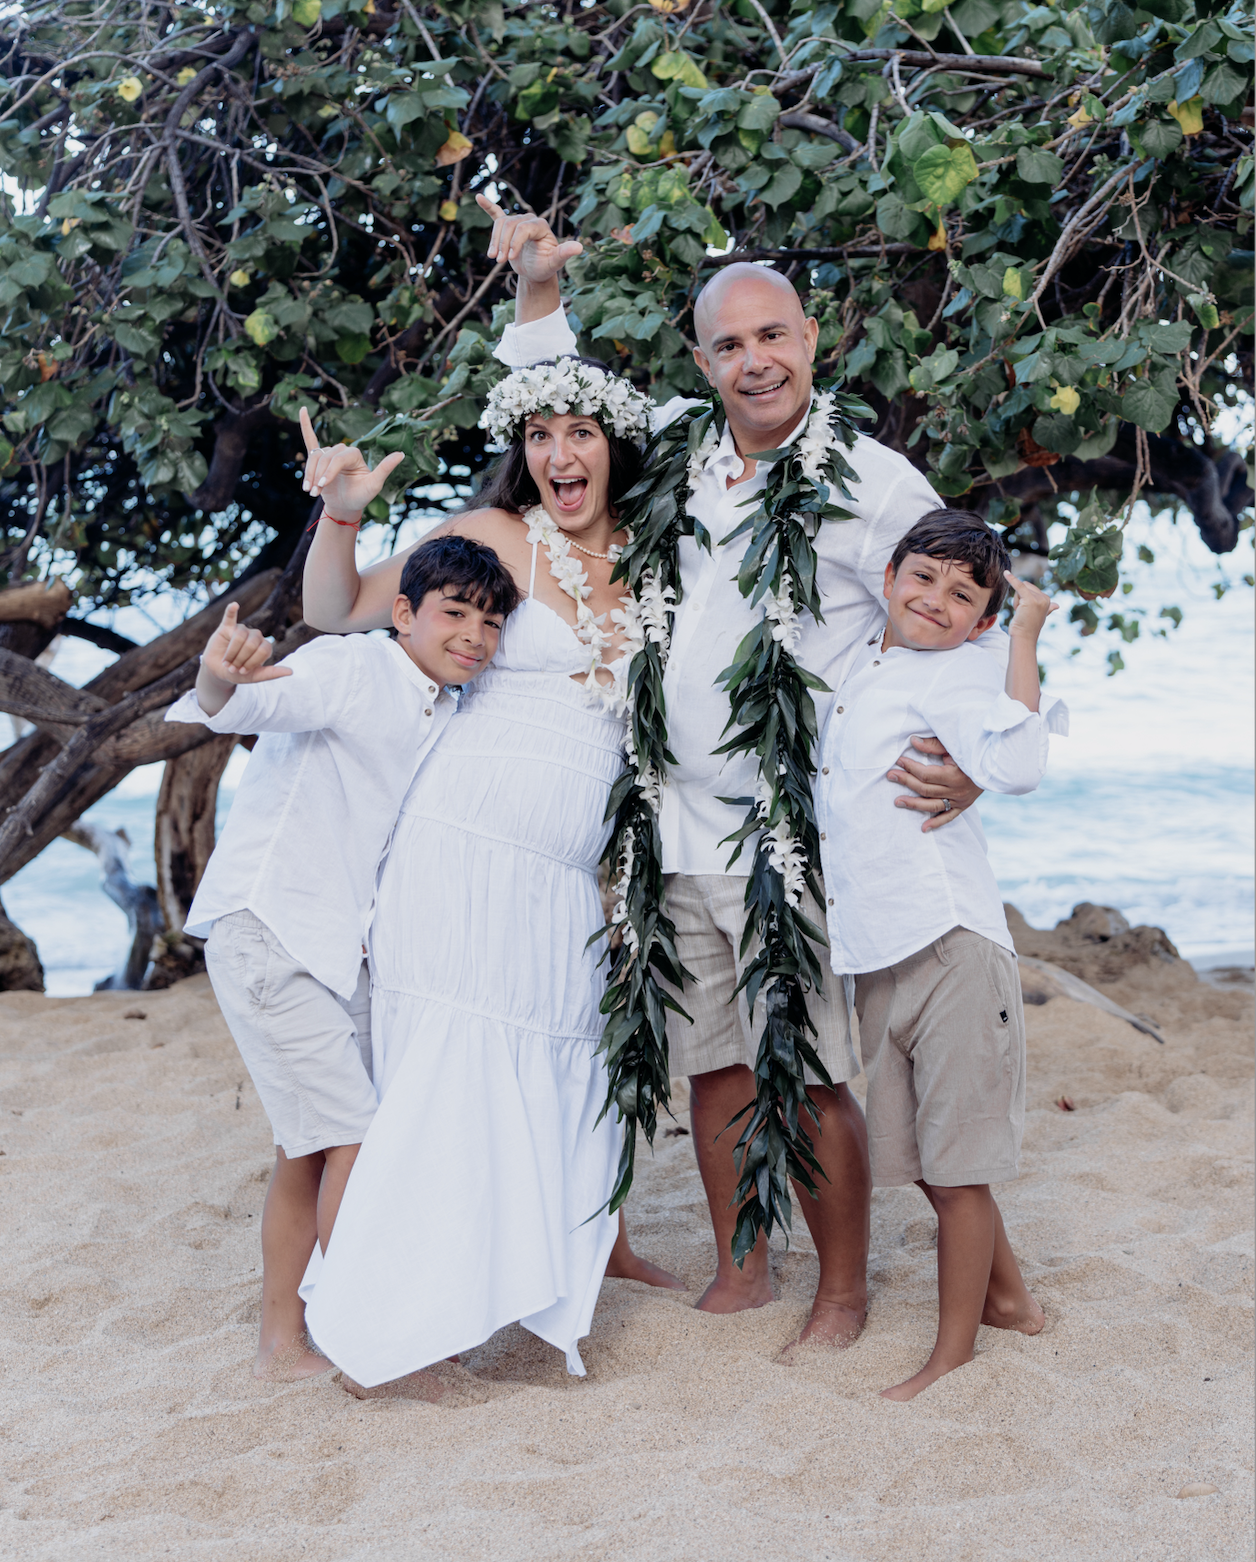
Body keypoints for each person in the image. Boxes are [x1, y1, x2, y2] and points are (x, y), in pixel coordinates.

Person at [486, 201, 1001, 1352]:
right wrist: (532, 285)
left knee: (806, 1068)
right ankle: (740, 1264)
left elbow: (971, 604)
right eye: (728, 343)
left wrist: (971, 753)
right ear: (701, 359)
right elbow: (553, 401)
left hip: (782, 825)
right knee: (710, 1060)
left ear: (811, 340)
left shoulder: (870, 481)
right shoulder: (668, 439)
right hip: (663, 816)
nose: (752, 360)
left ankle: (841, 1290)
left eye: (771, 336)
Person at [296, 335, 682, 1393]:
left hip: (565, 880)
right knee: (441, 1083)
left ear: (613, 446)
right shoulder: (494, 534)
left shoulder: (657, 557)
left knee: (554, 1076)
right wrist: (338, 510)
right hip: (458, 847)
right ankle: (394, 1327)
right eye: (539, 432)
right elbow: (332, 609)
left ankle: (513, 1284)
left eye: (580, 431)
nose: (559, 452)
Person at [164, 534, 519, 1380]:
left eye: (491, 621)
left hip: (336, 950)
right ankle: (372, 1342)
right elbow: (239, 706)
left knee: (311, 1144)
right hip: (269, 932)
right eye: (455, 612)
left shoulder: (451, 708)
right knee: (356, 1141)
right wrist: (222, 668)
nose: (473, 634)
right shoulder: (354, 667)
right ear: (404, 613)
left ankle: (282, 1343)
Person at [817, 509, 1066, 1399]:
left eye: (964, 595)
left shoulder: (962, 671)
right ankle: (1009, 1302)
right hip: (881, 950)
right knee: (926, 1159)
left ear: (985, 619)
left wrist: (1025, 635)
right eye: (923, 578)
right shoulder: (869, 664)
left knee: (958, 1170)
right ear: (889, 577)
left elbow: (1024, 757)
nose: (935, 601)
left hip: (952, 944)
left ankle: (952, 1352)